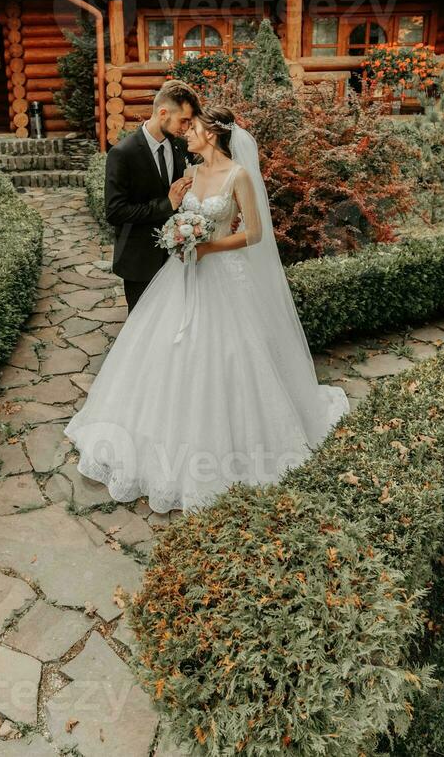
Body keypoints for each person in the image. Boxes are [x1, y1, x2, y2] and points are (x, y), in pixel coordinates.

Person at [67, 102, 349, 513]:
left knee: (230, 354)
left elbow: (253, 233)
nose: (187, 135)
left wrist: (208, 245)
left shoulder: (239, 176)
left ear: (212, 134)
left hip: (224, 276)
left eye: (193, 129)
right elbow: (173, 214)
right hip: (183, 276)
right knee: (168, 352)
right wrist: (178, 235)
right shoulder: (190, 173)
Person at [103, 80, 196, 311]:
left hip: (176, 260)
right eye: (183, 120)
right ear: (163, 113)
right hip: (139, 263)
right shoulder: (122, 153)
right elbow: (115, 212)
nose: (186, 128)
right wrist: (167, 204)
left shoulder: (179, 147)